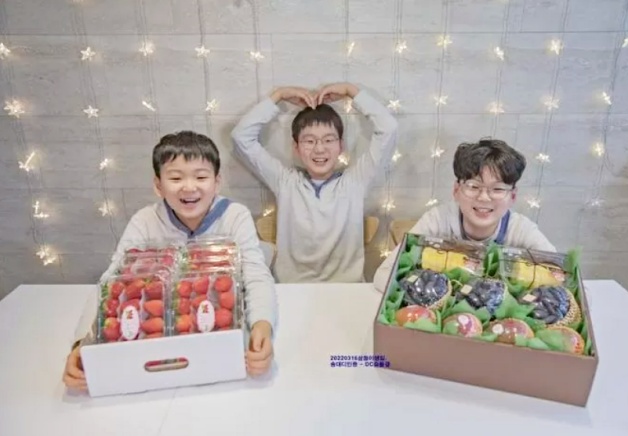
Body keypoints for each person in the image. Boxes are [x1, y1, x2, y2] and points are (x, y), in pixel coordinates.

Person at [62, 131, 278, 391]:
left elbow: (256, 274)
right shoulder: (145, 221)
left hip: (220, 339)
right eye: (175, 178)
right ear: (158, 185)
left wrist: (262, 325)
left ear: (217, 182)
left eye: (201, 177)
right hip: (154, 345)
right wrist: (82, 343)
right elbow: (111, 283)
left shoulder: (234, 216)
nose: (189, 187)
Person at [231, 82, 398, 283]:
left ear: (340, 146)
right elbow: (241, 137)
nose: (319, 149)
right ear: (296, 147)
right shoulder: (285, 182)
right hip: (292, 289)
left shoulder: (355, 182)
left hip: (346, 289)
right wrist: (279, 95)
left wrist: (350, 91)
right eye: (309, 141)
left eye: (328, 140)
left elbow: (388, 128)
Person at [373, 138, 556, 292]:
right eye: (474, 186)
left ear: (513, 196)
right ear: (456, 190)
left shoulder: (521, 230)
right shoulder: (438, 220)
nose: (484, 197)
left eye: (498, 189)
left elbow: (560, 278)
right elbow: (383, 275)